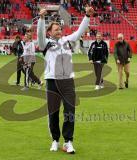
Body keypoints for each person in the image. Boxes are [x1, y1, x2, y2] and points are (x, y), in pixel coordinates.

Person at [37, 7, 94, 154]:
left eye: (59, 28)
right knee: (53, 113)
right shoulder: (46, 44)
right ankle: (55, 140)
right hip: (52, 81)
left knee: (70, 112)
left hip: (68, 81)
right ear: (49, 32)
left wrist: (87, 15)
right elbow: (39, 36)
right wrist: (42, 20)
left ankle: (68, 142)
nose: (59, 30)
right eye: (55, 29)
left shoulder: (68, 40)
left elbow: (80, 31)